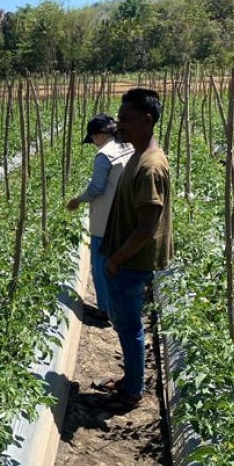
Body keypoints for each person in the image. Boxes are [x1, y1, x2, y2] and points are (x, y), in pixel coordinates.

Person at [98, 88, 173, 411]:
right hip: (126, 260)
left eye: (126, 119)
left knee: (130, 328)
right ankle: (131, 381)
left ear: (147, 120)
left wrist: (115, 260)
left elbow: (146, 227)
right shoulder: (139, 156)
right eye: (119, 117)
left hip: (131, 262)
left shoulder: (150, 166)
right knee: (126, 326)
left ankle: (132, 392)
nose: (119, 124)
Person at [67, 113, 134, 323]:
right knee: (122, 265)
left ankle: (105, 311)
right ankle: (123, 308)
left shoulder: (104, 155)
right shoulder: (128, 147)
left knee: (102, 266)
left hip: (105, 221)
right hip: (126, 215)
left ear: (98, 135)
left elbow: (96, 187)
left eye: (93, 139)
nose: (94, 144)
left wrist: (77, 200)